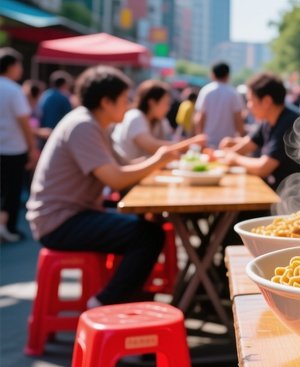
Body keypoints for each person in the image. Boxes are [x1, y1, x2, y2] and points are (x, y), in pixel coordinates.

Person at [26, 66, 192, 305]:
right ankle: (106, 301)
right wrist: (158, 160)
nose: (129, 105)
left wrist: (160, 161)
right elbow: (116, 178)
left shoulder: (94, 124)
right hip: (58, 221)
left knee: (149, 224)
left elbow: (124, 165)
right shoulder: (83, 126)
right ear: (106, 102)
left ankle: (129, 292)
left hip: (74, 213)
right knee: (147, 235)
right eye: (125, 99)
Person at [220, 72, 300, 189]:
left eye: (250, 100)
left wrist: (235, 158)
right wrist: (226, 153)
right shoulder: (268, 120)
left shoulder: (291, 123)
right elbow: (248, 144)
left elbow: (263, 168)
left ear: (267, 101)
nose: (248, 105)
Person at [112, 79, 205, 160]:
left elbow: (170, 142)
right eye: (166, 103)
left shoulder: (161, 121)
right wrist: (189, 143)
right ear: (152, 103)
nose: (168, 108)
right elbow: (151, 146)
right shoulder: (135, 116)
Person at [0, 49, 38, 242]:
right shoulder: (14, 90)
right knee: (11, 191)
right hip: (13, 149)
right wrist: (32, 148)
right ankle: (9, 228)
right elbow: (24, 122)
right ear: (12, 66)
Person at [194, 61, 244, 147]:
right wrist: (241, 139)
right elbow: (238, 119)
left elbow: (200, 117)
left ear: (212, 74)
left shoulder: (206, 91)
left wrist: (200, 137)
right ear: (228, 75)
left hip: (208, 142)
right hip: (228, 144)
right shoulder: (233, 93)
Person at [36, 70, 74, 145]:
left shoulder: (45, 94)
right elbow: (70, 117)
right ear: (64, 84)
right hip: (56, 134)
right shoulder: (63, 98)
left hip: (42, 133)